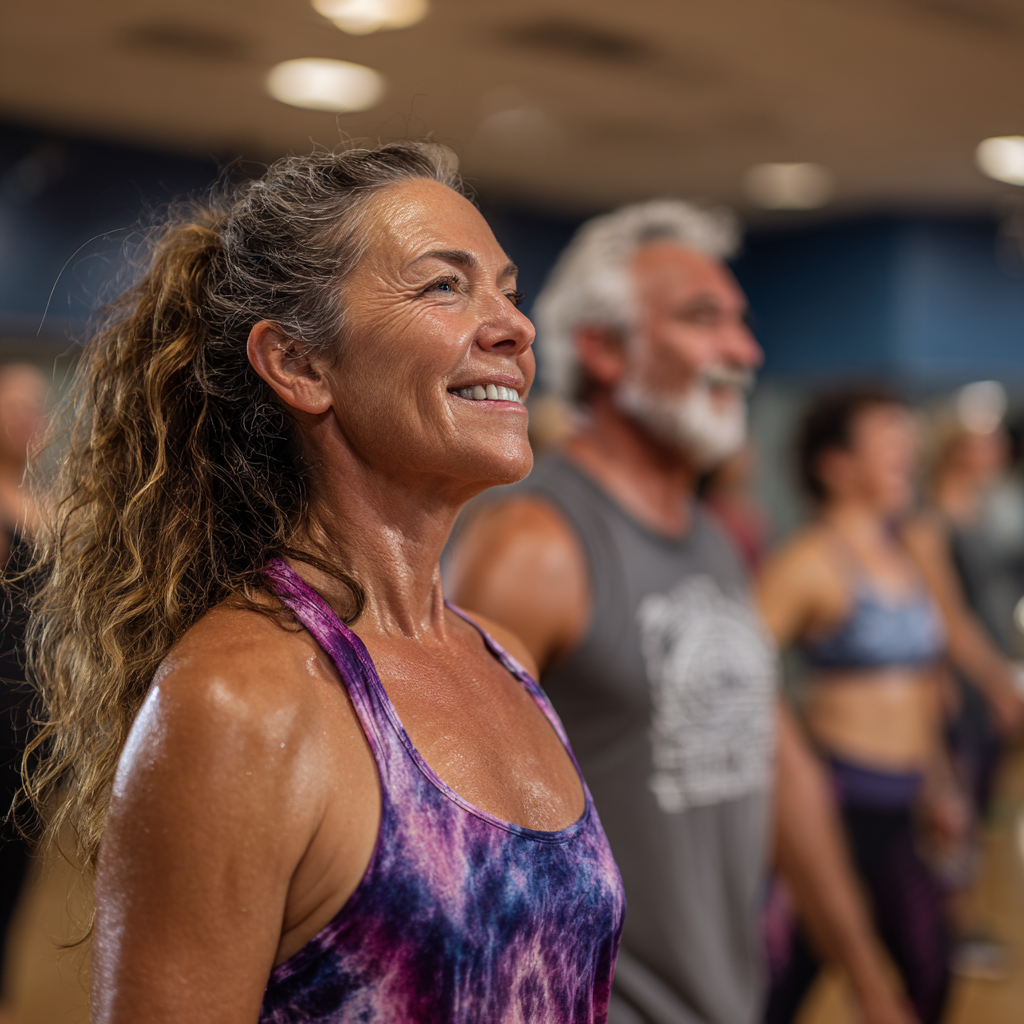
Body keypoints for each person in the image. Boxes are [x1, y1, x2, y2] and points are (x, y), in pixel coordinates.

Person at [22, 143, 625, 1024]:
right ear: (300, 365)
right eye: (445, 286)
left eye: (508, 290)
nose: (514, 327)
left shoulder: (507, 659)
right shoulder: (239, 701)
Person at [447, 202, 914, 1024]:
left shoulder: (713, 542)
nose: (745, 351)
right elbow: (452, 852)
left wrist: (869, 977)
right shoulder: (535, 546)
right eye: (704, 319)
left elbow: (781, 767)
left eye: (741, 321)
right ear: (602, 349)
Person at [757, 387, 1024, 1024]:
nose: (908, 455)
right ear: (836, 464)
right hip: (837, 803)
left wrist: (941, 780)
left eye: (909, 442)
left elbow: (938, 655)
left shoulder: (913, 547)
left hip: (906, 804)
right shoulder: (808, 562)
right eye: (889, 444)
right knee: (781, 989)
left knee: (931, 974)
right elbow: (731, 668)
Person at [0, 364, 47, 1024]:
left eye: (35, 408)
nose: (27, 418)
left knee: (14, 875)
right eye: (13, 405)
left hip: (32, 729)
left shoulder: (44, 505)